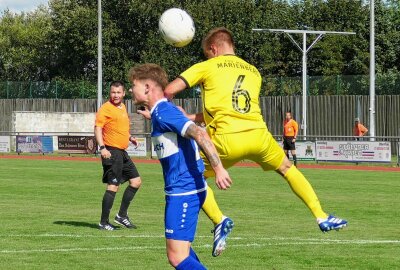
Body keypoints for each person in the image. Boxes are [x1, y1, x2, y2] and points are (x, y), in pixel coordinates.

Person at [164, 27, 347, 249]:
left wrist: (176, 116)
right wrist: (194, 116)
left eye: (207, 52)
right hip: (258, 136)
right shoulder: (253, 71)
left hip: (226, 140)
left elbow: (169, 91)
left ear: (213, 48)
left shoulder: (207, 66)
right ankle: (321, 215)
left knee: (191, 176)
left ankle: (219, 220)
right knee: (287, 168)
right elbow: (231, 107)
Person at [128, 63, 232, 270]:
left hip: (184, 190)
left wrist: (218, 168)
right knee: (182, 252)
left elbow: (199, 133)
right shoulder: (160, 113)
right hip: (185, 188)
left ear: (147, 87)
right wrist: (153, 116)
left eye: (134, 85)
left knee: (177, 258)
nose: (131, 90)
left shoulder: (164, 112)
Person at [94, 80, 142, 230]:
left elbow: (119, 128)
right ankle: (103, 222)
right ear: (110, 93)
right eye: (113, 92)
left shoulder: (122, 108)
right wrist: (102, 148)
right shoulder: (105, 109)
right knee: (113, 186)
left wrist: (129, 137)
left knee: (136, 181)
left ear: (123, 93)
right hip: (111, 151)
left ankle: (121, 216)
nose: (115, 95)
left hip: (122, 152)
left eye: (118, 92)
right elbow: (97, 128)